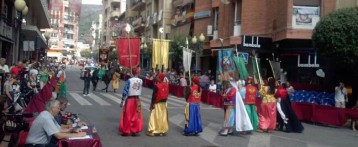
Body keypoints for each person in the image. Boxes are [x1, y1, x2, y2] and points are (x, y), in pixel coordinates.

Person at [119, 68, 143, 136]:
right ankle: (134, 130)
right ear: (138, 73)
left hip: (130, 100)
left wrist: (122, 101)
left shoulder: (129, 80)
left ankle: (126, 130)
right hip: (137, 100)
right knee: (136, 115)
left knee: (127, 115)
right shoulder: (141, 81)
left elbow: (125, 91)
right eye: (139, 72)